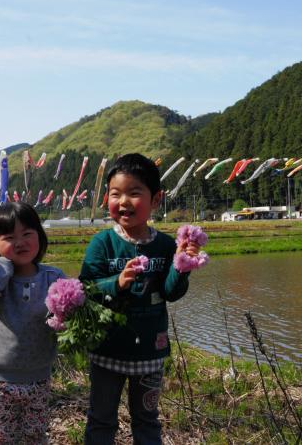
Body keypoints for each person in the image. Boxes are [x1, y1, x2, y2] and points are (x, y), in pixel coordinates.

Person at [80, 153, 203, 444]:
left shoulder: (164, 245)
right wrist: (117, 283)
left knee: (146, 420)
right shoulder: (102, 243)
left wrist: (181, 265)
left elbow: (172, 293)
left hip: (150, 352)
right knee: (101, 419)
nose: (123, 202)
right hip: (106, 349)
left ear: (156, 199)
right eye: (115, 194)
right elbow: (87, 288)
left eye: (134, 193)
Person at [0, 201, 65, 444]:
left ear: (39, 236)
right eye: (9, 237)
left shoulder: (53, 277)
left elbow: (68, 310)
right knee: (2, 436)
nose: (20, 242)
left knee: (35, 434)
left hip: (38, 375)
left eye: (27, 234)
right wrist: (3, 264)